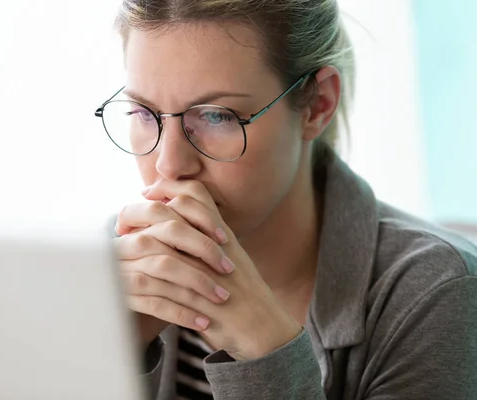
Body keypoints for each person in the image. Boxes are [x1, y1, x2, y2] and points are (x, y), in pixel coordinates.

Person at [95, 1, 477, 399]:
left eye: (216, 116)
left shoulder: (433, 291)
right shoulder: (115, 259)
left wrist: (266, 353)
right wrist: (111, 356)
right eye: (144, 113)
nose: (169, 165)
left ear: (317, 105)